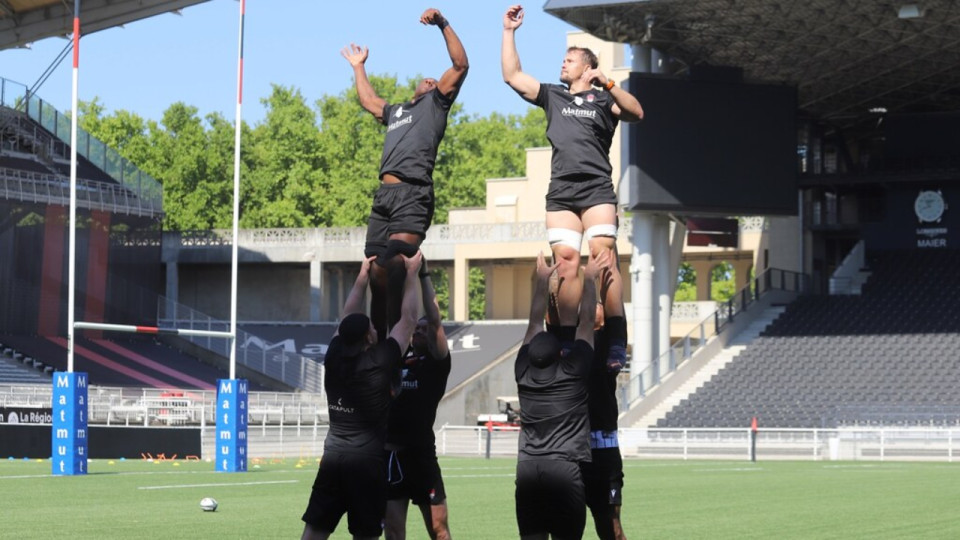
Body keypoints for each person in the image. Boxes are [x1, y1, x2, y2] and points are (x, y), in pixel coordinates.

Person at [501, 4, 643, 373]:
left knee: (603, 257)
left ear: (587, 67)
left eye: (570, 60)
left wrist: (607, 82)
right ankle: (564, 341)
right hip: (561, 193)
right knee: (565, 265)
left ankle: (615, 339)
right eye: (563, 60)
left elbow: (637, 112)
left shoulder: (605, 99)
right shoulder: (552, 95)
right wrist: (509, 31)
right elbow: (512, 75)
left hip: (596, 190)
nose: (563, 64)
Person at [342, 7, 468, 341]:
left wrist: (443, 24)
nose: (431, 79)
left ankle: (402, 341)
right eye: (425, 78)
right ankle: (378, 344)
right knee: (374, 271)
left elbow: (460, 65)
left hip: (413, 194)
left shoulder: (436, 105)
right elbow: (369, 101)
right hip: (384, 196)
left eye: (434, 80)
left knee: (395, 262)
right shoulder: (397, 111)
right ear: (415, 88)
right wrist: (359, 67)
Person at [301, 252, 423, 540]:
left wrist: (361, 278)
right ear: (369, 338)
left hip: (333, 458)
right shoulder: (379, 361)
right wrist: (412, 274)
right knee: (366, 534)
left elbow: (346, 319)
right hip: (367, 464)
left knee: (314, 531)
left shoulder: (333, 356)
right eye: (370, 327)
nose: (374, 328)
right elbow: (409, 320)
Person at [514, 250, 609, 540]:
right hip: (564, 471)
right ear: (560, 354)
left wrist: (542, 282)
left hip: (528, 470)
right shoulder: (572, 372)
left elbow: (533, 324)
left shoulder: (523, 372)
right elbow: (585, 325)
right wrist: (590, 278)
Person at [384, 257, 453, 540]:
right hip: (392, 457)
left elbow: (433, 319)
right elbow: (401, 318)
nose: (419, 331)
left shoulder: (436, 364)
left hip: (423, 456)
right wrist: (403, 278)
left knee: (439, 529)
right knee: (394, 530)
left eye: (425, 329)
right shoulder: (398, 359)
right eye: (417, 329)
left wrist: (421, 274)